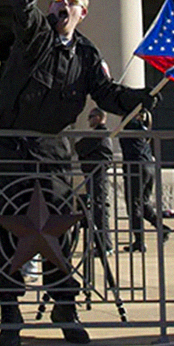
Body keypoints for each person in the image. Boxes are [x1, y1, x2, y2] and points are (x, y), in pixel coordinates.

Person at [0, 0, 156, 346]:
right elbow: (27, 24)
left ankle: (64, 304)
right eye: (56, 0)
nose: (61, 6)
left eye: (69, 2)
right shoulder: (39, 35)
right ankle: (9, 313)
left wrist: (142, 97)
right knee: (6, 230)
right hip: (9, 147)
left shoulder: (87, 54)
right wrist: (25, 4)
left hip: (52, 149)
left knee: (61, 227)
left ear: (82, 12)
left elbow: (107, 94)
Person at [119, 108, 169, 253]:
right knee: (143, 202)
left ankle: (139, 241)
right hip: (148, 167)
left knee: (133, 204)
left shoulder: (130, 125)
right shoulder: (142, 128)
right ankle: (162, 228)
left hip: (136, 167)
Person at [74, 107, 113, 257]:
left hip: (98, 177)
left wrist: (84, 154)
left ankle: (105, 246)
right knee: (97, 209)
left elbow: (80, 147)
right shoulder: (98, 135)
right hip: (94, 176)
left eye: (90, 117)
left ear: (98, 117)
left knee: (100, 210)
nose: (88, 120)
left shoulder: (99, 133)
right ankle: (103, 245)